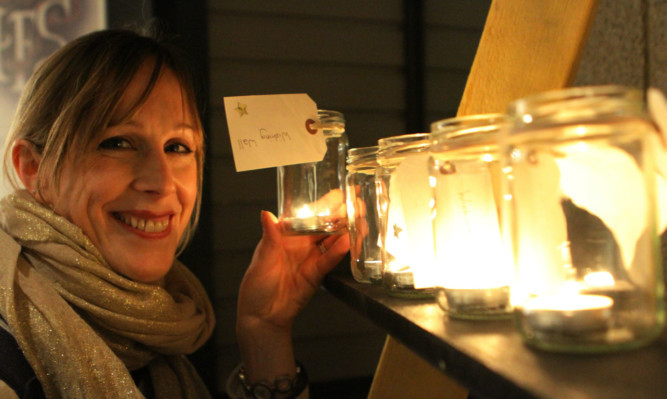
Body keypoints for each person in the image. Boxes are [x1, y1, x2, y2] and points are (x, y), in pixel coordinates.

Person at [0, 28, 349, 399]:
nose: (162, 181)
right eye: (117, 142)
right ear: (32, 167)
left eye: (178, 147)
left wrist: (264, 328)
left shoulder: (148, 328)